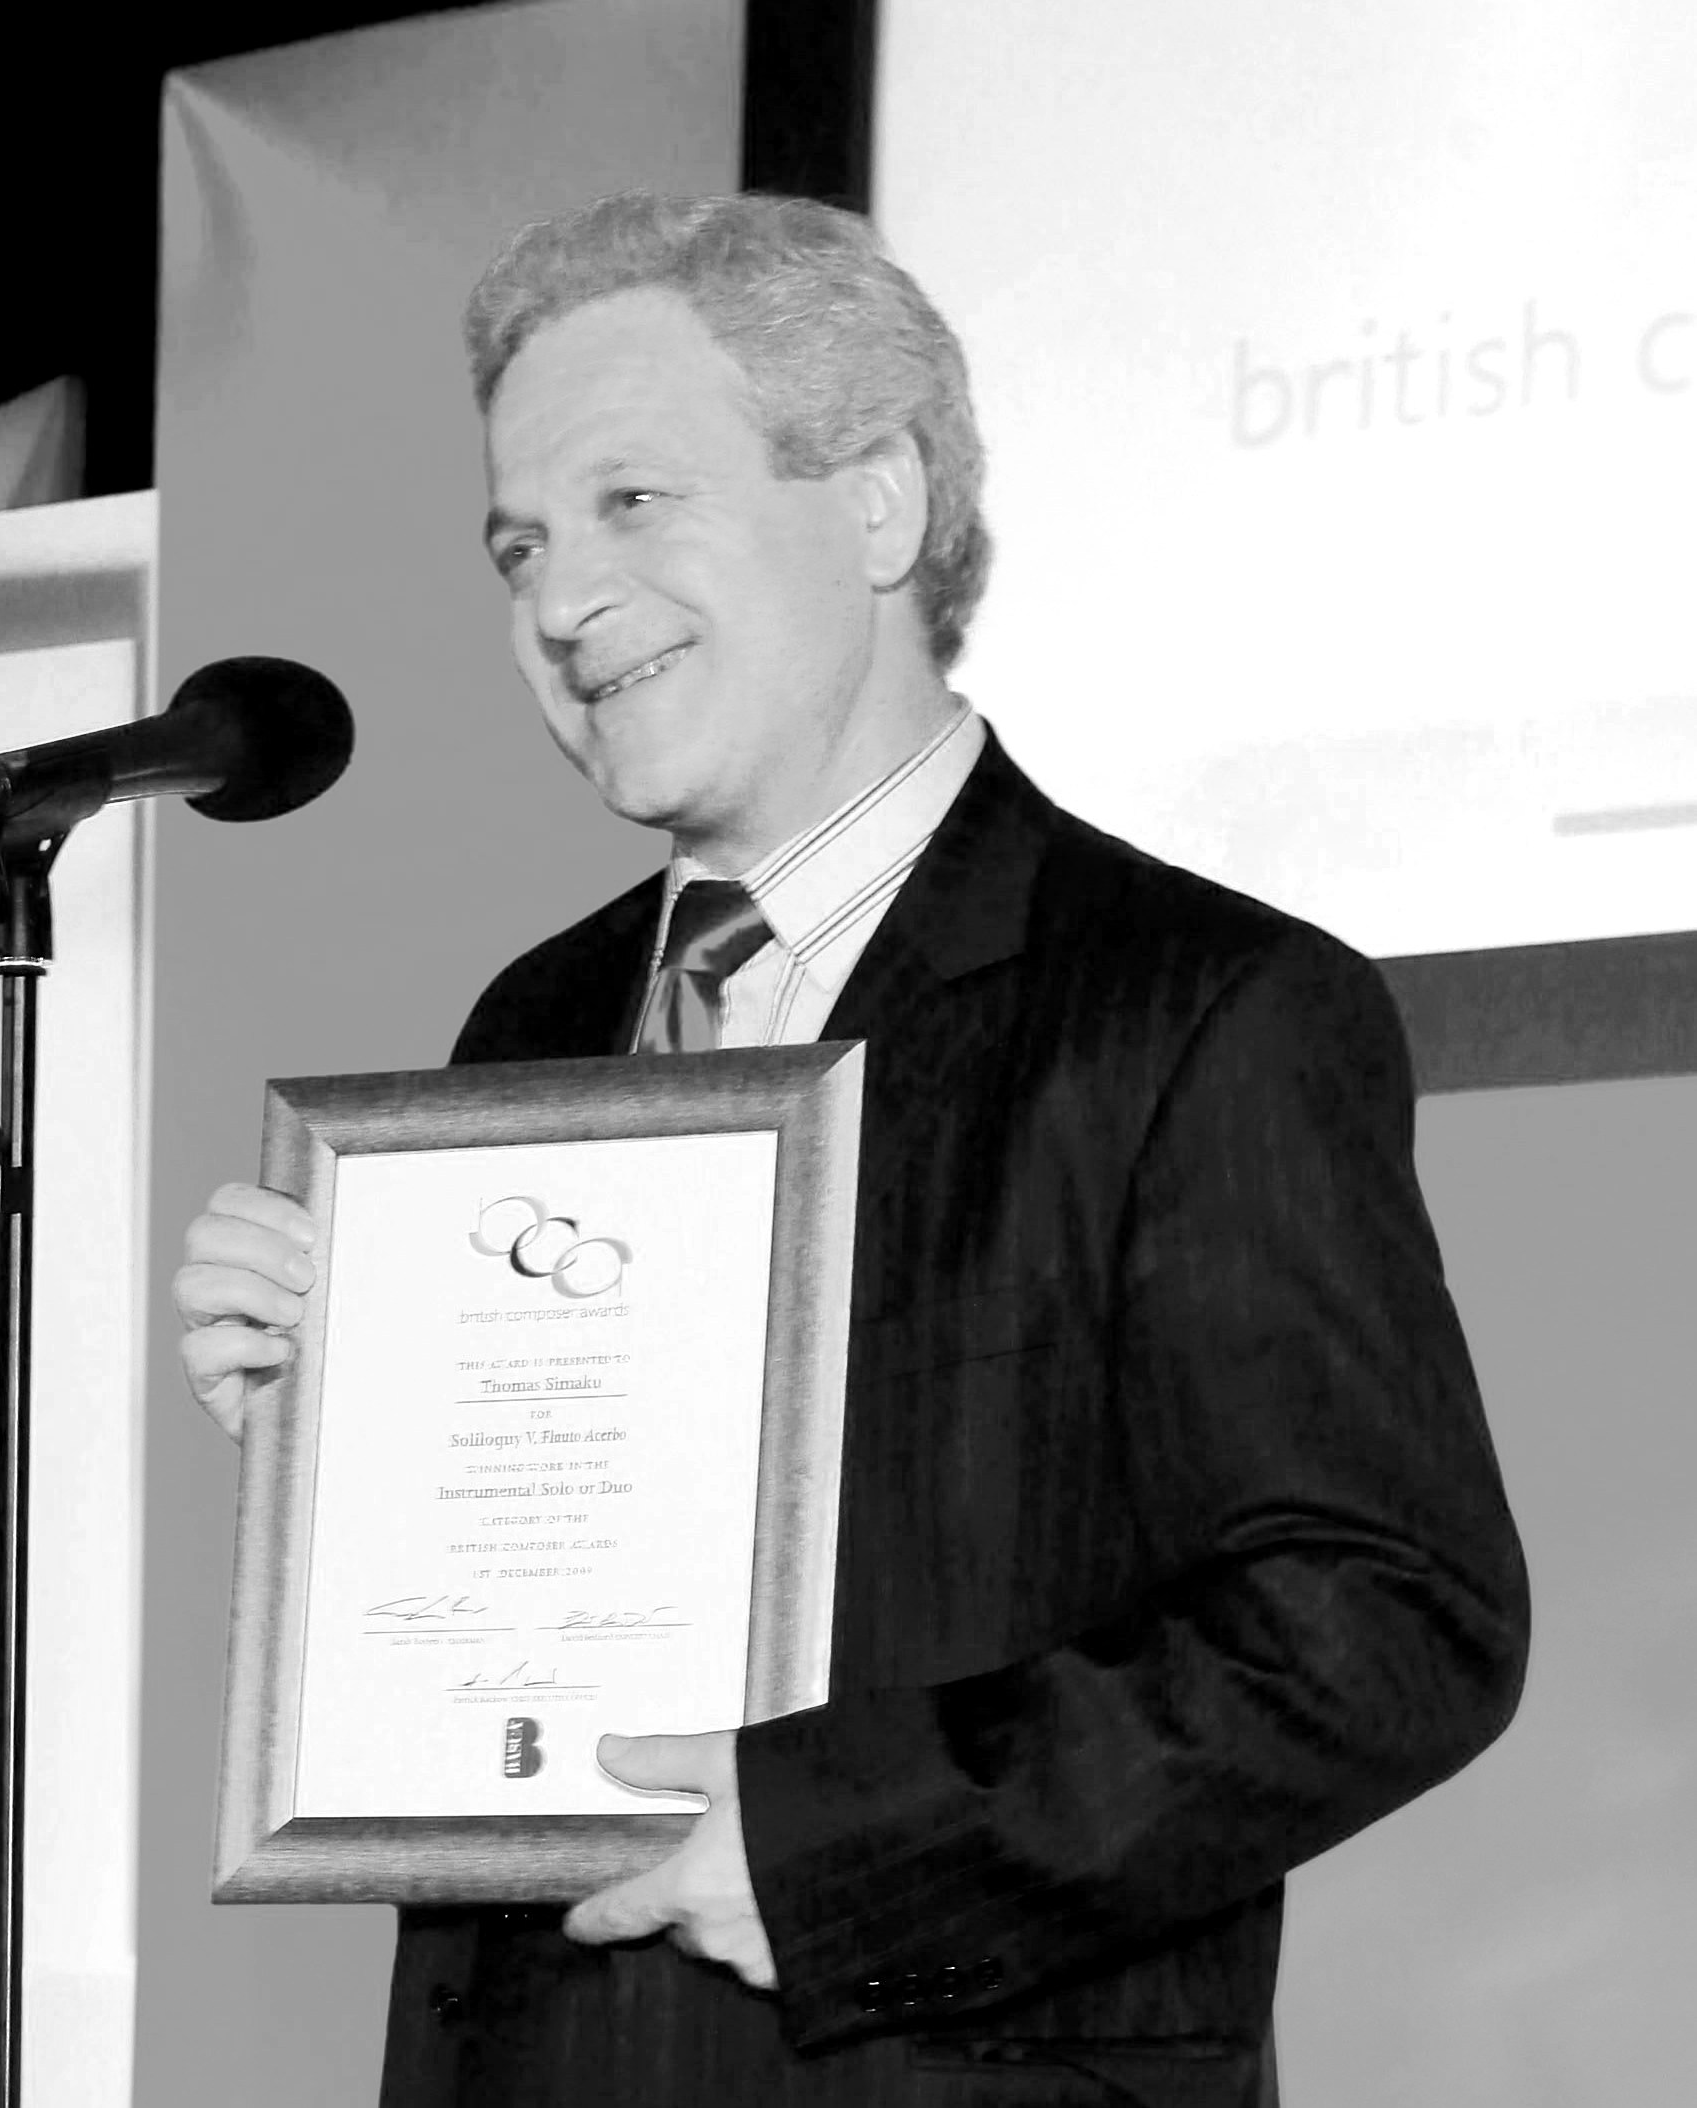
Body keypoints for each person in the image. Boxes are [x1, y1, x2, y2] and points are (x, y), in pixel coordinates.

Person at [170, 192, 1527, 2104]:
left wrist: (840, 1849)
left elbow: (1386, 1621)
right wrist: (345, 1430)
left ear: (879, 505)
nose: (557, 600)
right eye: (520, 543)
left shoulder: (1197, 1005)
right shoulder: (528, 1017)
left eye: (634, 501)